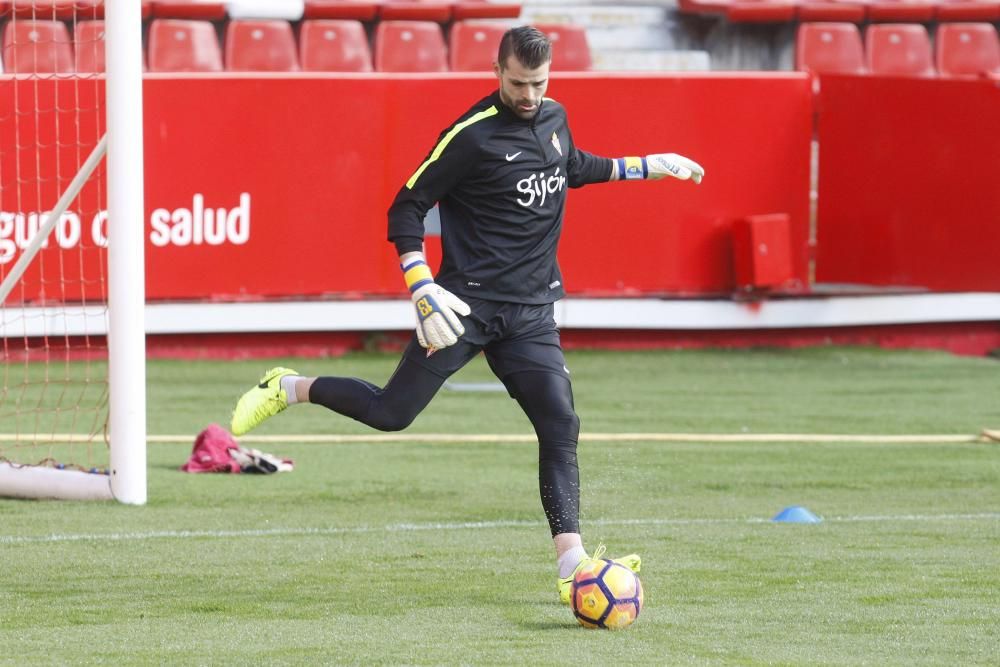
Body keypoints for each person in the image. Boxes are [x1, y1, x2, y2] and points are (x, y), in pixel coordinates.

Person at [230, 26, 704, 604]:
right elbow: (407, 206)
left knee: (559, 424)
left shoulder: (554, 117)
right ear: (497, 71)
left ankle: (571, 561)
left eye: (539, 82)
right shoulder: (470, 137)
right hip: (465, 307)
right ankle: (290, 386)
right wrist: (421, 283)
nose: (530, 95)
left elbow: (570, 167)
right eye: (519, 83)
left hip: (530, 313)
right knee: (391, 413)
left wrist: (647, 165)